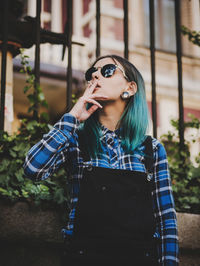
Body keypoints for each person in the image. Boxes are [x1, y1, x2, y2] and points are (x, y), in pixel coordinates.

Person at [23, 54, 179, 266]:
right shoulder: (75, 139)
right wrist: (72, 118)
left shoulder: (152, 149)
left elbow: (166, 221)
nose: (95, 75)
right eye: (91, 73)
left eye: (106, 70)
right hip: (84, 257)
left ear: (130, 88)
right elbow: (33, 168)